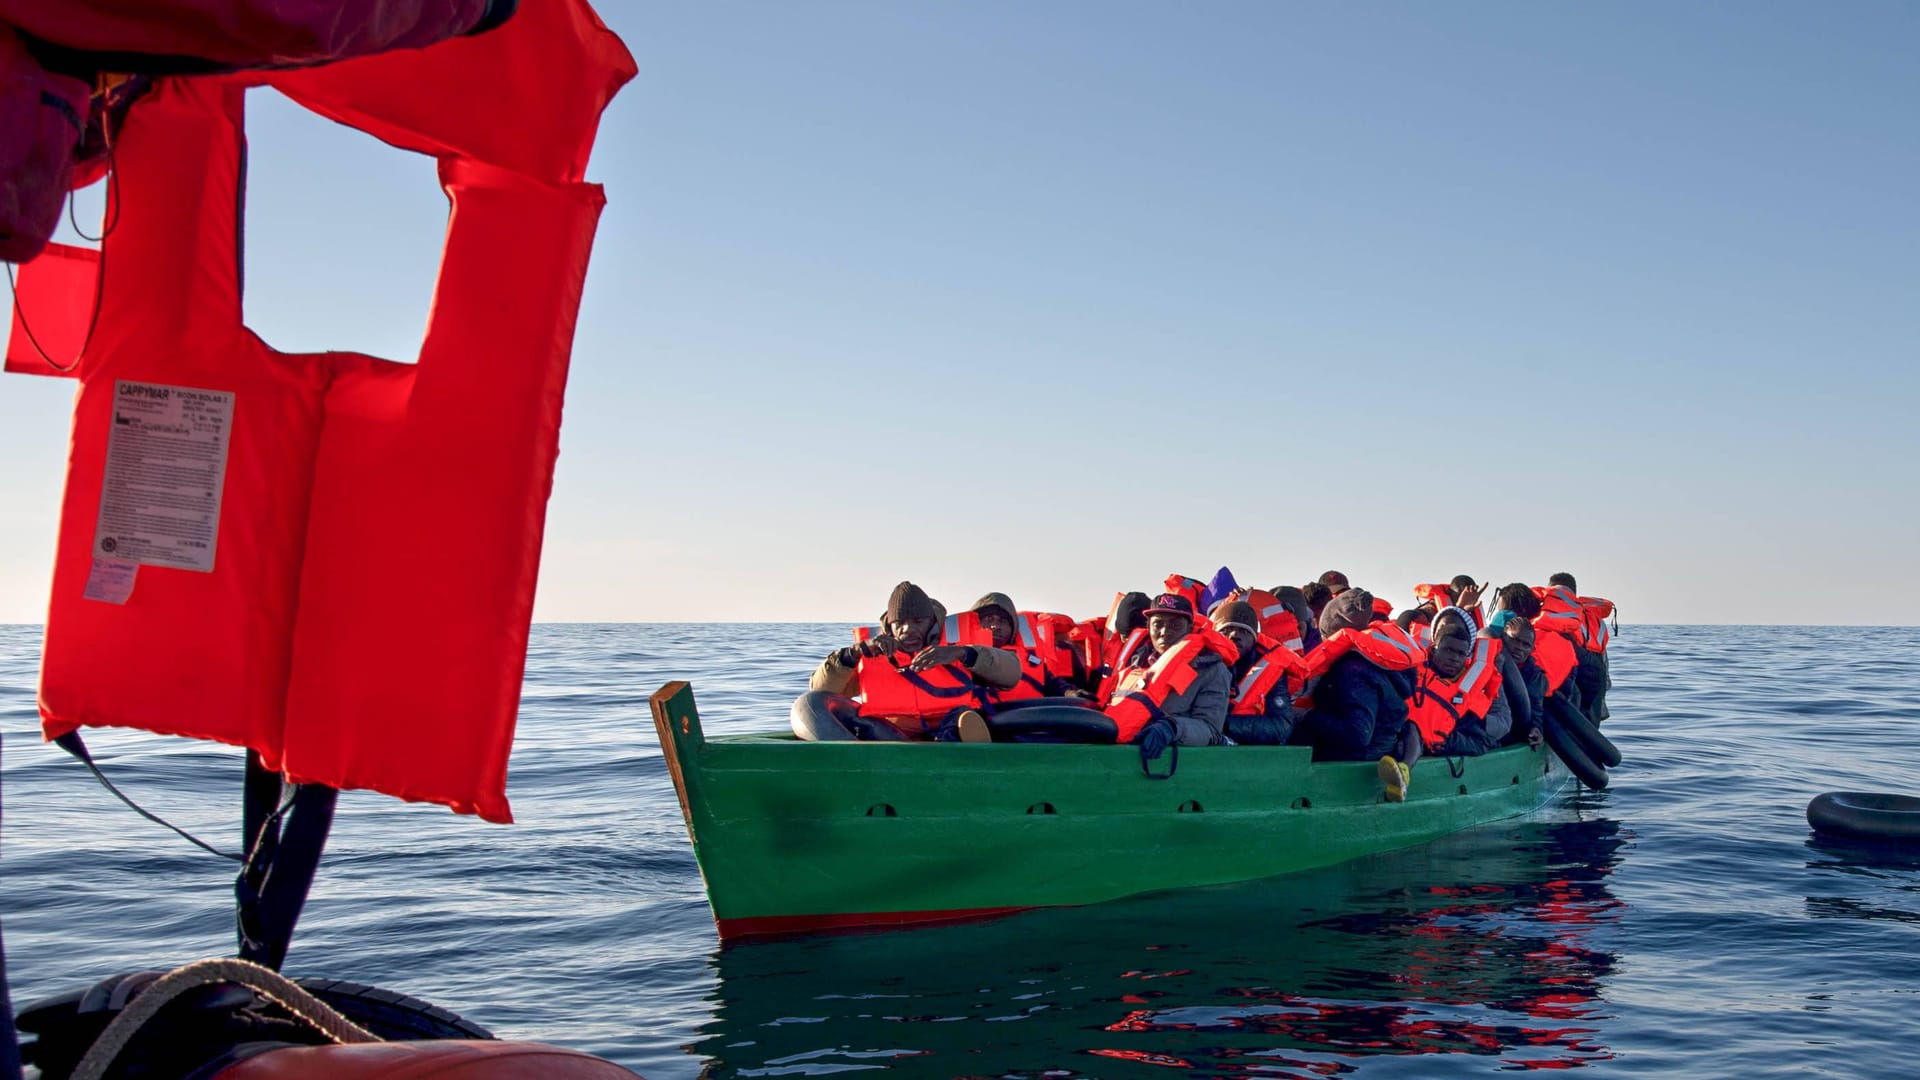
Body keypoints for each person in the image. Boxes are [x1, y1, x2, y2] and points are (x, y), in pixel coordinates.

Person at [809, 581, 1021, 739]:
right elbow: (820, 691)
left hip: (950, 731)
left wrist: (963, 654)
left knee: (961, 718)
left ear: (931, 623)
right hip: (891, 736)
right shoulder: (871, 653)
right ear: (890, 626)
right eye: (900, 623)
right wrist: (853, 654)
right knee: (861, 723)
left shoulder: (958, 646)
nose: (908, 630)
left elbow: (1011, 674)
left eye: (918, 621)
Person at [1384, 607, 1510, 800]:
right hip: (1398, 730)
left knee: (1412, 733)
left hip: (1445, 740)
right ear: (1434, 647)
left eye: (1460, 653)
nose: (1454, 658)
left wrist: (1448, 738)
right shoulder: (1411, 667)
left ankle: (1404, 771)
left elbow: (1484, 737)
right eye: (1448, 650)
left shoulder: (1473, 685)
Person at [1296, 589, 1422, 774]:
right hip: (1384, 747)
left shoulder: (1353, 670)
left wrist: (1304, 715)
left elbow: (1357, 734)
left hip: (1357, 759)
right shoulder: (1380, 662)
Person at [1103, 593, 1238, 761]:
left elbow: (1210, 730)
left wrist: (1172, 728)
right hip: (1117, 756)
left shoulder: (1213, 670)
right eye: (1158, 624)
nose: (1165, 632)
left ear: (1189, 628)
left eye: (1175, 625)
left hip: (1169, 765)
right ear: (1148, 626)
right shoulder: (1135, 665)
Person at [958, 592, 1086, 701]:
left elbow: (1052, 684)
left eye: (1002, 621)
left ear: (1013, 627)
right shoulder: (962, 656)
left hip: (1031, 721)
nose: (995, 626)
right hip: (986, 722)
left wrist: (1071, 693)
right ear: (975, 624)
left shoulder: (1029, 656)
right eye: (989, 619)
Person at [1211, 600, 1306, 745]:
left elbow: (1281, 727)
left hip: (1248, 751)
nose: (1234, 635)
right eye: (1227, 630)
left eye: (1244, 631)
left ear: (1254, 639)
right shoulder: (1198, 663)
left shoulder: (1273, 669)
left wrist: (1224, 725)